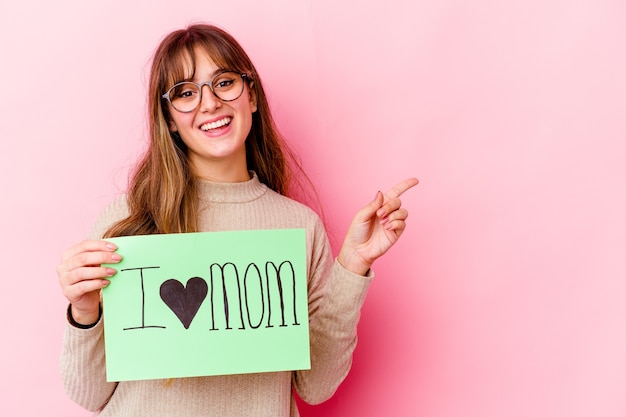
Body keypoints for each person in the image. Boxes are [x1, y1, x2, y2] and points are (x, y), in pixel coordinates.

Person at [57, 23, 418, 417]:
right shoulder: (127, 222)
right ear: (170, 120)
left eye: (224, 82)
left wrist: (352, 265)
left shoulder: (297, 227)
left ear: (253, 96)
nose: (209, 103)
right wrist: (84, 311)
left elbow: (315, 387)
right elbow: (88, 395)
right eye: (186, 93)